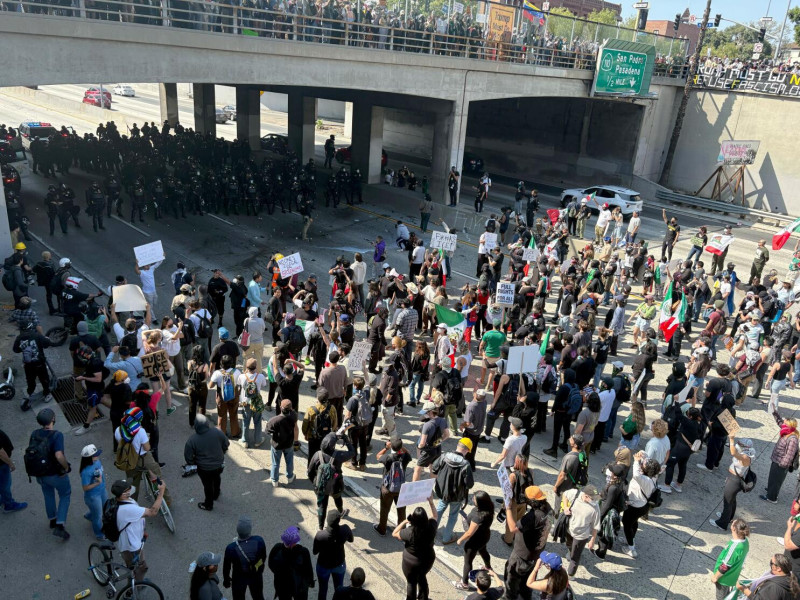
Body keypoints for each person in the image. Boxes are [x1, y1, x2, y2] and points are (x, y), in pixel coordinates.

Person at [502, 486, 554, 600]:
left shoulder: (533, 516)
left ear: (532, 501)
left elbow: (513, 528)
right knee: (526, 580)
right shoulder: (549, 509)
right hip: (536, 553)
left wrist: (508, 509)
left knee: (511, 577)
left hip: (522, 555)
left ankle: (509, 597)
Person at [111, 478, 165, 582]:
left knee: (134, 568)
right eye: (128, 489)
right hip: (132, 547)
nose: (131, 488)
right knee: (140, 568)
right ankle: (133, 590)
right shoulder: (127, 509)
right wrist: (161, 492)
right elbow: (153, 512)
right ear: (123, 494)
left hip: (131, 540)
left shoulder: (123, 501)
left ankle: (136, 583)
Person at [29, 408, 72, 539]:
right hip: (55, 474)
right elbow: (59, 455)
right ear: (52, 419)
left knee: (48, 495)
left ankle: (52, 520)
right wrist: (66, 467)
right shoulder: (57, 435)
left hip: (40, 473)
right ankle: (60, 525)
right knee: (65, 494)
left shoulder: (34, 433)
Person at [307, 431, 354, 530]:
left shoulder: (317, 454)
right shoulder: (339, 455)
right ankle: (341, 511)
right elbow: (352, 452)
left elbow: (310, 472)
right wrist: (346, 439)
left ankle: (320, 527)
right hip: (335, 484)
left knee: (322, 506)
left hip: (321, 485)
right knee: (337, 498)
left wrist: (316, 482)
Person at [432, 438, 475, 545]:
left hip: (443, 493)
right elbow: (470, 484)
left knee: (439, 511)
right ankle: (446, 538)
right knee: (453, 516)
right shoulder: (466, 464)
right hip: (457, 496)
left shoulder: (444, 456)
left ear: (458, 445)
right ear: (466, 450)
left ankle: (431, 533)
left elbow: (434, 468)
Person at [184, 413, 230, 511]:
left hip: (204, 468)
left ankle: (208, 504)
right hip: (219, 465)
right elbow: (226, 444)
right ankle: (216, 494)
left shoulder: (192, 440)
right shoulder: (217, 432)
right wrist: (222, 451)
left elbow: (188, 457)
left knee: (207, 485)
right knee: (217, 478)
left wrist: (194, 462)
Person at [452, 490, 494, 591]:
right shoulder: (490, 507)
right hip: (484, 536)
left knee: (468, 562)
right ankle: (488, 568)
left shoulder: (478, 516)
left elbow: (469, 533)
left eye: (474, 499)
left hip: (474, 541)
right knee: (483, 551)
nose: (473, 500)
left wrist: (460, 539)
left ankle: (464, 584)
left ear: (480, 502)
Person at [711, 437, 755, 531]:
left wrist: (731, 439)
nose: (738, 445)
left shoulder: (745, 457)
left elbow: (733, 452)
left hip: (734, 480)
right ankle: (729, 517)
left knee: (727, 501)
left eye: (740, 444)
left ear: (745, 447)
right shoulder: (747, 453)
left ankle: (722, 523)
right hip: (734, 478)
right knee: (732, 500)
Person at [393, 507, 437, 600]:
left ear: (413, 520)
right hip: (427, 560)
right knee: (422, 577)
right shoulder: (431, 527)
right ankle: (423, 597)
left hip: (411, 563)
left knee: (411, 583)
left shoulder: (409, 532)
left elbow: (394, 533)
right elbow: (435, 516)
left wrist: (405, 521)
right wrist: (431, 502)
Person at [621, 454, 659, 558]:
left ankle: (631, 549)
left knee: (626, 523)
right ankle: (630, 538)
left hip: (635, 507)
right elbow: (647, 464)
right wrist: (642, 457)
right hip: (643, 506)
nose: (642, 463)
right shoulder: (654, 477)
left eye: (644, 464)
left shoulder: (644, 480)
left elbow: (636, 475)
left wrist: (636, 461)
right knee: (634, 522)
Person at [373, 438, 412, 536]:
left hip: (387, 488)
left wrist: (386, 448)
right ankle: (401, 531)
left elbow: (378, 456)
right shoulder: (405, 457)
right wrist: (401, 446)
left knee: (385, 509)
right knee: (401, 510)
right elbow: (409, 453)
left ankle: (382, 529)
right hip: (401, 488)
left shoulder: (388, 458)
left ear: (392, 447)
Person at [560, 484, 601, 577]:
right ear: (586, 496)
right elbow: (565, 494)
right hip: (569, 529)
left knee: (575, 557)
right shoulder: (575, 494)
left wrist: (592, 540)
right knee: (569, 545)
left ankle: (570, 575)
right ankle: (571, 551)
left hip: (581, 536)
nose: (595, 500)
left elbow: (595, 526)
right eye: (593, 498)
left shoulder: (596, 508)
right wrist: (566, 507)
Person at [223, 516, 267, 600]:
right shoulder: (259, 540)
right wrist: (259, 568)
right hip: (255, 574)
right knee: (258, 596)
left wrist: (226, 580)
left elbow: (226, 567)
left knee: (238, 597)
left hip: (239, 577)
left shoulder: (231, 548)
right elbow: (263, 557)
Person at [13, 321, 54, 410]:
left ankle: (30, 392)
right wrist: (46, 339)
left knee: (30, 380)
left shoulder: (19, 337)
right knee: (44, 379)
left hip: (28, 365)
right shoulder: (37, 335)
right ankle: (47, 394)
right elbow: (47, 344)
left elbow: (15, 350)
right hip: (39, 363)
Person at [313, 509, 354, 600]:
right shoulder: (345, 529)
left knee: (323, 590)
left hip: (323, 565)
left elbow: (315, 551)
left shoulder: (320, 535)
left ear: (327, 520)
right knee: (339, 589)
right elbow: (351, 540)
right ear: (339, 520)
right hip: (339, 564)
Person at [761, 411, 800, 504]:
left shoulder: (793, 438)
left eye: (785, 423)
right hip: (777, 460)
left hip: (781, 464)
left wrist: (782, 464)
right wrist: (775, 413)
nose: (783, 425)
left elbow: (789, 455)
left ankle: (772, 497)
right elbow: (780, 422)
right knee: (773, 478)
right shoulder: (787, 431)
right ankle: (771, 491)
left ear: (789, 425)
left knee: (776, 480)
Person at [269, 526, 315, 600]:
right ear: (293, 544)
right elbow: (308, 570)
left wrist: (278, 573)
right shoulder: (303, 552)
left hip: (282, 585)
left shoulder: (277, 548)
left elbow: (271, 565)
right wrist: (310, 582)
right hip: (299, 586)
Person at [711, 519, 750, 600]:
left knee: (721, 597)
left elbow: (725, 566)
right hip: (733, 575)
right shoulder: (745, 542)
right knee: (727, 594)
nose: (731, 523)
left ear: (734, 529)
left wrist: (715, 577)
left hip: (724, 578)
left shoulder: (735, 547)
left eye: (733, 523)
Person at [208, 355, 242, 439]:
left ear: (221, 364)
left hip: (221, 396)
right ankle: (235, 432)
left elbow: (210, 386)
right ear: (231, 363)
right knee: (233, 414)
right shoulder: (237, 372)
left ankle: (221, 432)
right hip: (234, 396)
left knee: (221, 415)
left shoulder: (217, 373)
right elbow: (240, 384)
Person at [79, 443, 107, 540]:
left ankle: (89, 515)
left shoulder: (97, 462)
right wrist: (98, 483)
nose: (98, 456)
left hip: (101, 491)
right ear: (89, 458)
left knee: (104, 508)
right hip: (93, 496)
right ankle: (99, 535)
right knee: (98, 517)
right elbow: (85, 488)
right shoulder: (86, 472)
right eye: (95, 455)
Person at [238, 358, 268, 448]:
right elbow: (264, 385)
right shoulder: (260, 376)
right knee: (257, 421)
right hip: (257, 402)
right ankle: (258, 440)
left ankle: (244, 441)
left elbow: (239, 385)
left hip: (245, 403)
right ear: (256, 367)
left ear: (246, 366)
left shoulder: (242, 376)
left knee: (246, 421)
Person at [303, 387, 339, 459]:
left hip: (313, 437)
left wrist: (305, 434)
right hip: (327, 437)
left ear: (317, 398)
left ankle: (311, 469)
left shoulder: (311, 409)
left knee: (312, 456)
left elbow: (305, 424)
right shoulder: (332, 408)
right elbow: (335, 424)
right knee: (325, 456)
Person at [0, 426, 26, 513]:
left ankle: (3, 498)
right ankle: (9, 504)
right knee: (5, 485)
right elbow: (0, 453)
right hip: (1, 464)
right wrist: (10, 463)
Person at [242, 306, 267, 373]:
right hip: (259, 342)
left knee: (247, 357)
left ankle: (245, 372)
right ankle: (258, 373)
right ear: (257, 312)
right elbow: (263, 330)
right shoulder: (261, 320)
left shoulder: (246, 320)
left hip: (248, 342)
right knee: (258, 358)